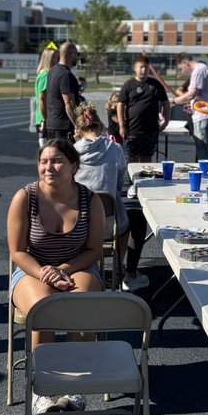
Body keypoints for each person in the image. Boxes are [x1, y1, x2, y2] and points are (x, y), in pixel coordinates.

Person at [7, 137, 104, 415]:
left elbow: (93, 250)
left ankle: (74, 386)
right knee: (44, 309)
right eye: (44, 161)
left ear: (73, 166)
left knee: (80, 306)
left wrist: (63, 269)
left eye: (57, 160)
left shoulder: (90, 200)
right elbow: (16, 252)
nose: (49, 167)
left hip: (78, 266)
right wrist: (44, 272)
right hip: (31, 269)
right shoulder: (25, 197)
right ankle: (43, 390)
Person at [72, 102, 146, 291]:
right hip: (110, 222)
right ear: (100, 125)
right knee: (136, 218)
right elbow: (119, 182)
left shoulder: (71, 153)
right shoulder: (114, 149)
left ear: (78, 130)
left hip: (78, 224)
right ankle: (125, 270)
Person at [117, 55, 170, 163]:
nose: (144, 70)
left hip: (150, 130)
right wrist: (122, 125)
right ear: (135, 68)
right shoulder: (128, 85)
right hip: (133, 130)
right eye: (141, 67)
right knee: (132, 159)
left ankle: (146, 180)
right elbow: (120, 105)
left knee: (146, 159)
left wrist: (166, 120)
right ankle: (133, 180)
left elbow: (166, 103)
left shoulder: (155, 85)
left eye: (146, 67)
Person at [171, 52, 208, 161]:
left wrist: (173, 101)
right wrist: (192, 105)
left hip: (204, 116)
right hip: (205, 114)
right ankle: (202, 173)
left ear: (186, 63)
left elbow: (191, 94)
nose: (182, 72)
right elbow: (197, 95)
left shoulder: (199, 70)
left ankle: (204, 175)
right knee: (202, 149)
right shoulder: (202, 69)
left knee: (203, 151)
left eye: (181, 69)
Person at [44, 41, 81, 141]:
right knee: (67, 156)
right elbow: (69, 103)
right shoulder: (66, 75)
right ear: (71, 54)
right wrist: (78, 125)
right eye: (77, 54)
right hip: (63, 128)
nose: (77, 58)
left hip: (51, 125)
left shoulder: (52, 71)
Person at [33, 44, 57, 148]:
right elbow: (41, 99)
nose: (58, 59)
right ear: (49, 59)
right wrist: (44, 120)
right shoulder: (45, 75)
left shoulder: (48, 74)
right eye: (56, 57)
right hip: (44, 119)